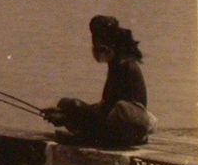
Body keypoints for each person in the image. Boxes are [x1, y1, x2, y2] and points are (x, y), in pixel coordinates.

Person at [43, 15, 157, 147]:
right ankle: (84, 133)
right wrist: (65, 114)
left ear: (112, 46)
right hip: (113, 116)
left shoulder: (125, 65)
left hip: (127, 123)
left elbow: (110, 109)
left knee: (75, 106)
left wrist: (69, 117)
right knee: (65, 104)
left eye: (102, 49)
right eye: (96, 49)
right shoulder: (115, 62)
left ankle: (88, 137)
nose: (98, 54)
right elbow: (105, 105)